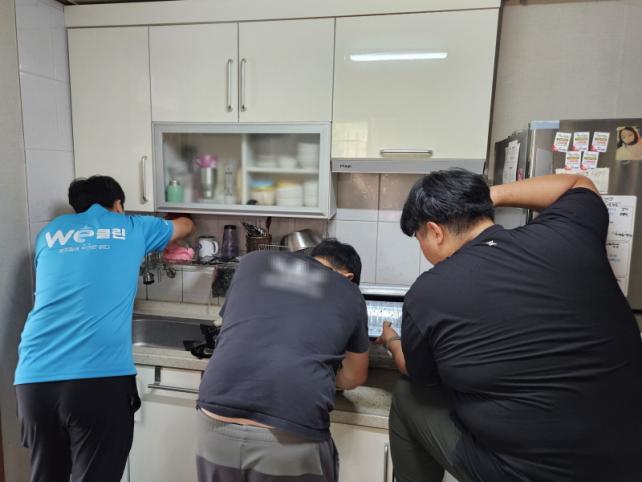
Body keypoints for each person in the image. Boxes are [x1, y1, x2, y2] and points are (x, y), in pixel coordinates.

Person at [378, 169, 642, 482]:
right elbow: (578, 183)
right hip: (628, 462)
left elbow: (416, 371)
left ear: (435, 232)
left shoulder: (427, 293)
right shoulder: (568, 231)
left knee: (408, 394)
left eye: (419, 237)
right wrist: (484, 196)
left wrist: (392, 341)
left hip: (525, 474)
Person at [14, 175, 194, 482]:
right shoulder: (132, 227)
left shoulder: (49, 233)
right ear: (118, 205)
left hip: (33, 379)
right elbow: (185, 226)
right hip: (97, 380)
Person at [196, 239, 370, 482]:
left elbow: (232, 331)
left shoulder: (252, 263)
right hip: (289, 429)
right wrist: (327, 374)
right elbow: (354, 376)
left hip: (213, 419)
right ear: (348, 277)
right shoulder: (348, 291)